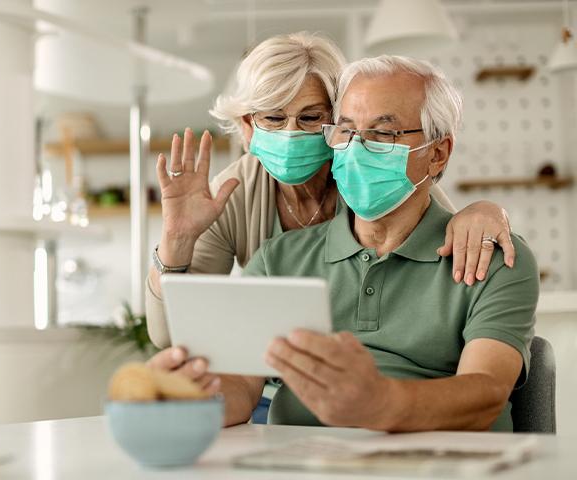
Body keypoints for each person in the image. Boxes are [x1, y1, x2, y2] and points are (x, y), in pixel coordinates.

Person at [147, 32, 514, 353]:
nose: (291, 133)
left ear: (338, 120)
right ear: (247, 126)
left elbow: (439, 224)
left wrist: (484, 211)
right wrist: (176, 240)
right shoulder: (230, 195)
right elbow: (170, 335)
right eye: (274, 118)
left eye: (310, 118)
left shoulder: (367, 174)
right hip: (272, 385)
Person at [238, 55, 539, 431]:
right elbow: (237, 386)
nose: (356, 149)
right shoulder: (276, 260)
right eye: (346, 131)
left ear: (437, 153)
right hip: (302, 464)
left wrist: (379, 405)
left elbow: (487, 392)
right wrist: (186, 391)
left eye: (382, 134)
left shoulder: (492, 260)